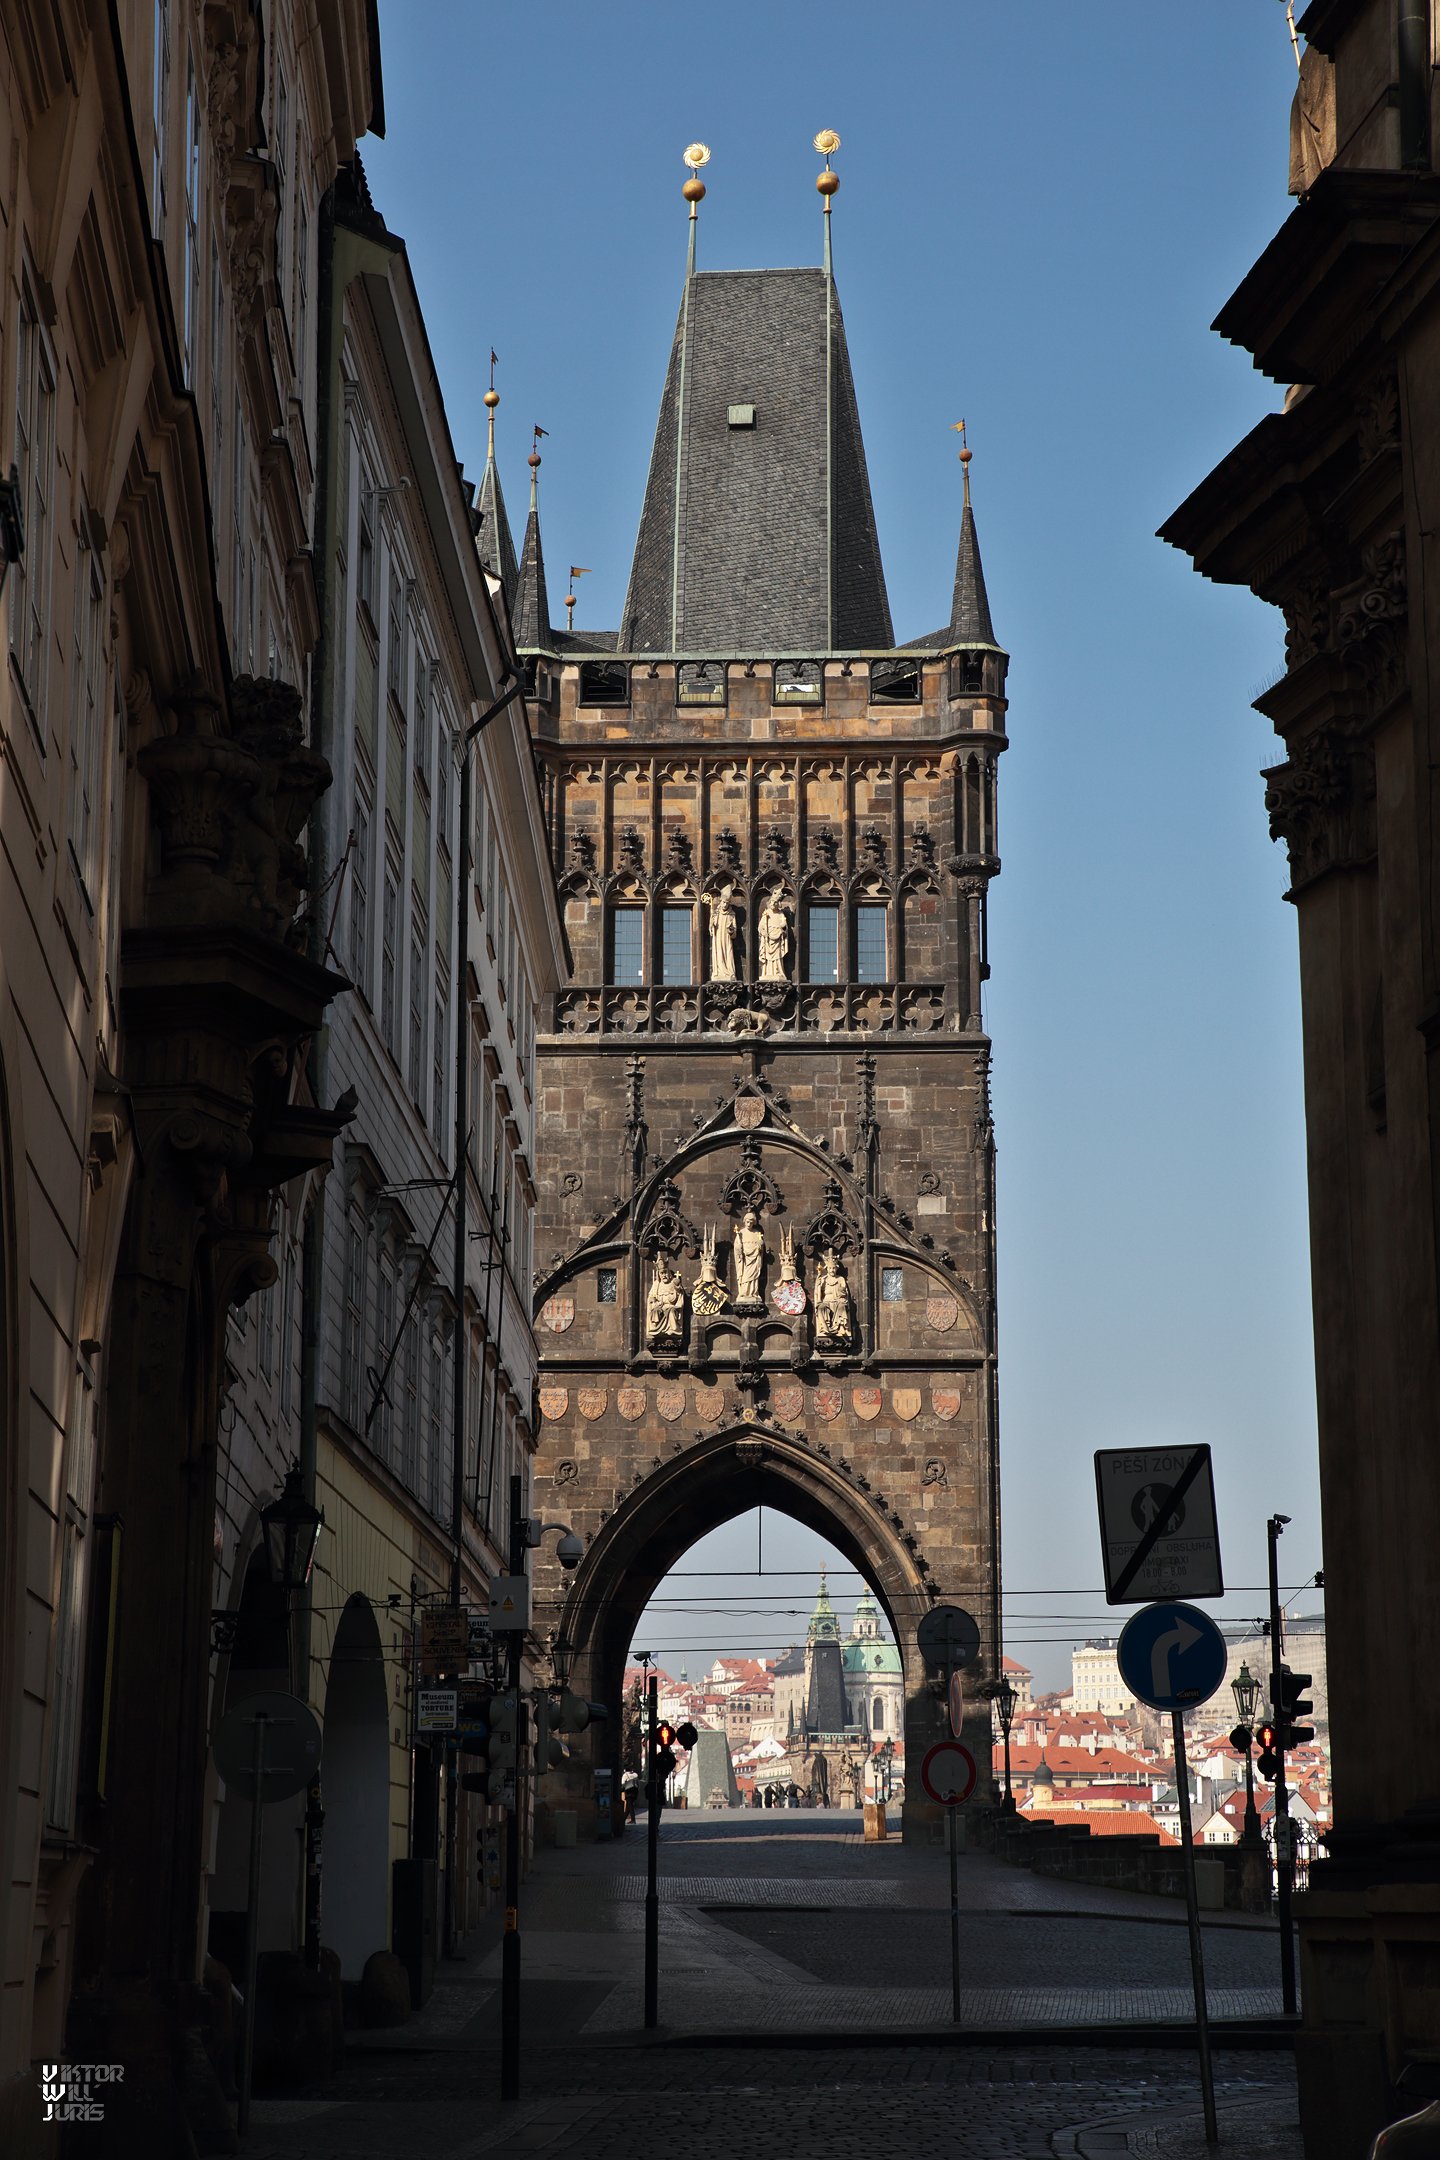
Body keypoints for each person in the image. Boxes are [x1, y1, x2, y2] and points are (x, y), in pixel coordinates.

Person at [704, 883, 738, 981]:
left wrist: (731, 930)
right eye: (723, 902)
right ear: (720, 901)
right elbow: (712, 927)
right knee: (719, 953)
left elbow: (734, 932)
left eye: (727, 903)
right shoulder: (716, 913)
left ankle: (729, 972)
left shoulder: (731, 914)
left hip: (727, 939)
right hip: (718, 937)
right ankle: (719, 972)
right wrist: (712, 923)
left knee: (728, 953)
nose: (725, 905)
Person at [732, 1209, 766, 1305]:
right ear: (744, 1221)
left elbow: (761, 1246)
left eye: (751, 1222)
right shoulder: (740, 1233)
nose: (749, 1224)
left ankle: (753, 1293)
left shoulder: (757, 1233)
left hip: (755, 1259)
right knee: (745, 1276)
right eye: (747, 1222)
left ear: (753, 1223)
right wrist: (739, 1249)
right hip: (745, 1260)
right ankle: (744, 1293)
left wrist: (760, 1246)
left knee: (754, 1277)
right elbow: (737, 1248)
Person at [757, 891, 791, 980]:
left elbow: (784, 927)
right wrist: (763, 932)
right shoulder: (766, 914)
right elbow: (761, 927)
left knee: (778, 957)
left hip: (778, 937)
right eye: (772, 902)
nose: (773, 904)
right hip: (768, 939)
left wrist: (783, 927)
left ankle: (778, 971)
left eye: (775, 902)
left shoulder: (780, 914)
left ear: (778, 904)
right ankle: (768, 972)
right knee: (768, 958)